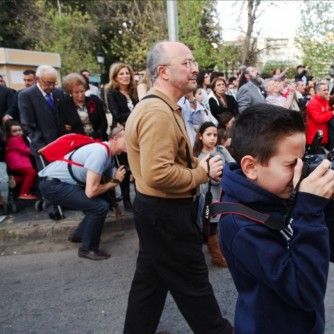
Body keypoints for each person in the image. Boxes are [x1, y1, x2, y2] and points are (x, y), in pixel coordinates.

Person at [218, 103, 334, 334]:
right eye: (292, 164)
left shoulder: (278, 190)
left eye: (303, 160)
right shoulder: (240, 225)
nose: (301, 172)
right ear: (251, 167)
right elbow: (305, 292)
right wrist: (309, 210)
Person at [124, 41, 233, 334]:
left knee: (149, 285)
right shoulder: (157, 113)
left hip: (157, 213)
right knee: (194, 286)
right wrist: (202, 172)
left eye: (193, 61)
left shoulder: (161, 107)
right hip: (166, 214)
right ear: (163, 71)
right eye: (186, 63)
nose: (194, 68)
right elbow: (158, 173)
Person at [38, 126, 128, 260]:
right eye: (129, 137)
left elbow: (105, 185)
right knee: (99, 207)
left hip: (58, 183)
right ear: (115, 138)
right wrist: (115, 181)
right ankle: (88, 249)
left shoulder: (109, 156)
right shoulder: (100, 153)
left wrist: (114, 205)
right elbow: (91, 192)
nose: (133, 140)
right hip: (52, 185)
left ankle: (79, 235)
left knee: (101, 204)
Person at [193, 122, 235, 267]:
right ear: (200, 137)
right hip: (209, 196)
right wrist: (213, 176)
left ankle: (224, 251)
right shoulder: (198, 157)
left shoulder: (221, 150)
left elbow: (233, 165)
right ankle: (217, 256)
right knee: (211, 225)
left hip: (225, 193)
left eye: (215, 135)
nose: (212, 138)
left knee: (223, 223)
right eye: (208, 135)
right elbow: (201, 179)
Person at [18, 65, 65, 168]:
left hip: (62, 144)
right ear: (38, 79)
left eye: (54, 83)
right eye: (48, 83)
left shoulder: (59, 93)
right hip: (43, 146)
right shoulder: (26, 95)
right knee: (50, 179)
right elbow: (28, 124)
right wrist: (42, 146)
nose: (52, 86)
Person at [105, 62, 138, 211]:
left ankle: (140, 196)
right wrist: (137, 113)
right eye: (121, 74)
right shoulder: (111, 92)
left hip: (136, 133)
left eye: (127, 73)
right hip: (122, 134)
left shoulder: (134, 91)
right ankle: (126, 200)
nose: (125, 76)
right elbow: (117, 115)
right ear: (115, 77)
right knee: (124, 167)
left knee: (138, 166)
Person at [61, 73, 108, 140]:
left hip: (98, 138)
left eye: (82, 91)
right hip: (78, 142)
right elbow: (65, 128)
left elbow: (104, 123)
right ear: (70, 92)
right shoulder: (65, 106)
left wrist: (95, 135)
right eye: (76, 92)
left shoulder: (94, 100)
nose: (80, 94)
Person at [4, 120, 38, 200]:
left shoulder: (10, 140)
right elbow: (25, 150)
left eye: (20, 130)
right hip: (19, 162)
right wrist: (34, 150)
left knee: (26, 176)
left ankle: (15, 179)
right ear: (10, 133)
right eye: (15, 131)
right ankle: (24, 193)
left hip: (15, 163)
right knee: (32, 173)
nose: (18, 132)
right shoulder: (16, 140)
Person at [305, 82, 333, 147]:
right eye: (324, 90)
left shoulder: (324, 100)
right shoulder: (313, 103)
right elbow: (318, 119)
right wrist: (331, 113)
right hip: (315, 138)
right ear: (318, 91)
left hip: (323, 136)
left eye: (327, 89)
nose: (327, 92)